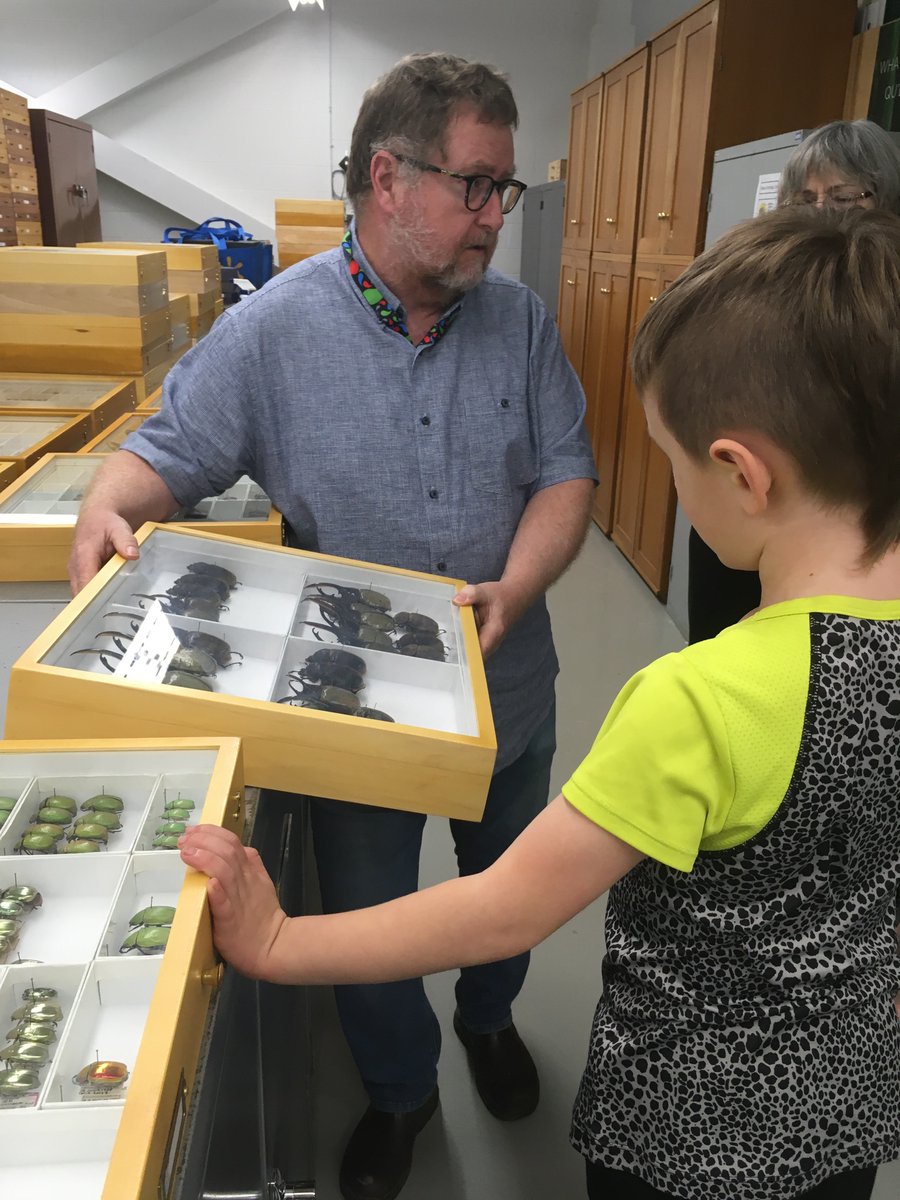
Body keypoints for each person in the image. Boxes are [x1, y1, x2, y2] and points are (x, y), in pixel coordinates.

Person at [179, 207, 900, 1200]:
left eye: (674, 460)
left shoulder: (702, 701)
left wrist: (277, 940)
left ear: (742, 474)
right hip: (848, 1111)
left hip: (685, 1135)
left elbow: (504, 908)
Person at [68, 53, 596, 1200]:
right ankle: (402, 1092)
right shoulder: (273, 333)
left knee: (508, 888)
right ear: (387, 178)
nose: (495, 216)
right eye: (475, 185)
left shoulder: (519, 322)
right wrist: (109, 505)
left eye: (503, 189)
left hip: (511, 689)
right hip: (353, 721)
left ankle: (491, 1018)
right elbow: (166, 453)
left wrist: (517, 584)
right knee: (367, 915)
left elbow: (566, 474)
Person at [687, 117, 900, 645]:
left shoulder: (886, 302)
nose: (823, 212)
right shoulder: (758, 281)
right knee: (724, 649)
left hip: (848, 536)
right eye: (805, 199)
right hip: (749, 511)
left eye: (845, 197)